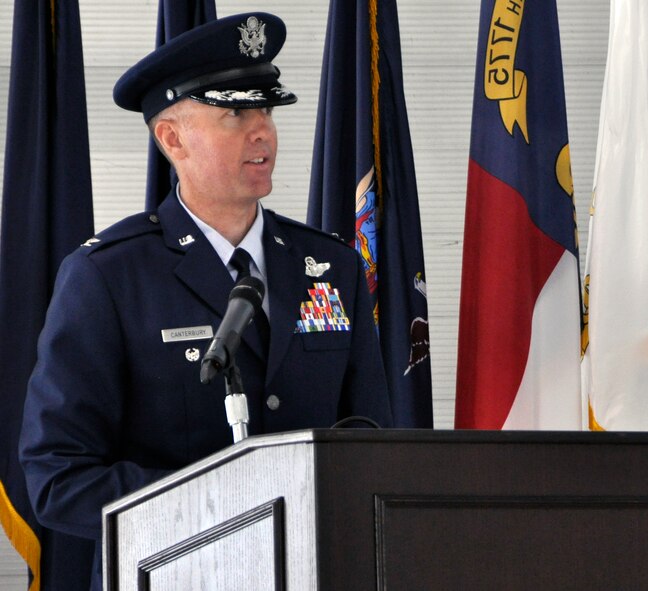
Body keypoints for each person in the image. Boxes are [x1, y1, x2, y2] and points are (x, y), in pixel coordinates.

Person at [19, 12, 392, 590]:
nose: (263, 131)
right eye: (236, 114)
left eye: (266, 110)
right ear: (171, 138)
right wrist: (225, 502)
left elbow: (372, 440)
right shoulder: (107, 277)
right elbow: (57, 479)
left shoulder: (333, 266)